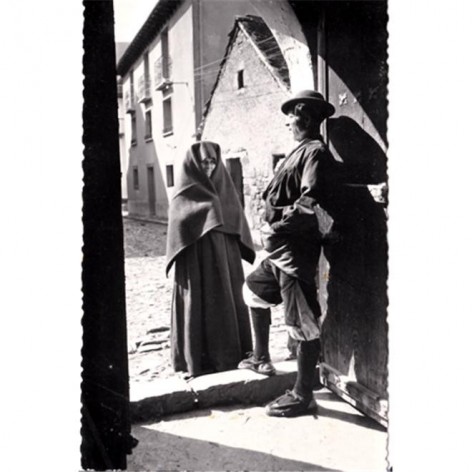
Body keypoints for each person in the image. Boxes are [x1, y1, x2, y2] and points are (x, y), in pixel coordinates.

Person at [238, 90, 338, 417]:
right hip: (279, 250)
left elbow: (309, 202)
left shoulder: (315, 152)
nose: (288, 124)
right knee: (253, 291)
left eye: (291, 118)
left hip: (294, 251)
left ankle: (303, 394)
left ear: (304, 119)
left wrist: (277, 227)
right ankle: (260, 357)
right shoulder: (300, 150)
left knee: (302, 323)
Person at [166, 141, 256, 379]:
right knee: (198, 302)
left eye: (212, 162)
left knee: (224, 299)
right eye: (203, 162)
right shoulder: (184, 194)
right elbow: (178, 228)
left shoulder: (224, 188)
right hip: (196, 261)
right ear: (194, 164)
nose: (208, 166)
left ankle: (228, 355)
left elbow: (236, 218)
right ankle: (197, 358)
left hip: (224, 260)